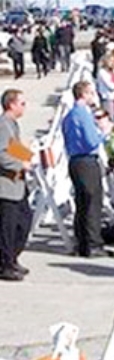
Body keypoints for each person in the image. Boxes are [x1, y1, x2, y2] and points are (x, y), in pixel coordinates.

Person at [62, 81, 108, 258]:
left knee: (82, 203)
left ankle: (82, 241)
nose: (93, 96)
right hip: (87, 160)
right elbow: (91, 140)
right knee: (92, 203)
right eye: (91, 93)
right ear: (84, 94)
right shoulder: (83, 114)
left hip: (74, 160)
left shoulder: (70, 115)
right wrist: (103, 132)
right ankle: (93, 243)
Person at [0, 89, 32, 281]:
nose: (24, 107)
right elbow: (2, 154)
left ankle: (11, 258)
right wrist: (21, 164)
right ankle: (6, 264)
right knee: (8, 227)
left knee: (22, 222)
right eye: (22, 103)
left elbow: (13, 147)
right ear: (11, 104)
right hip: (7, 185)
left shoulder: (11, 124)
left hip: (17, 184)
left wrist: (29, 155)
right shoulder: (3, 125)